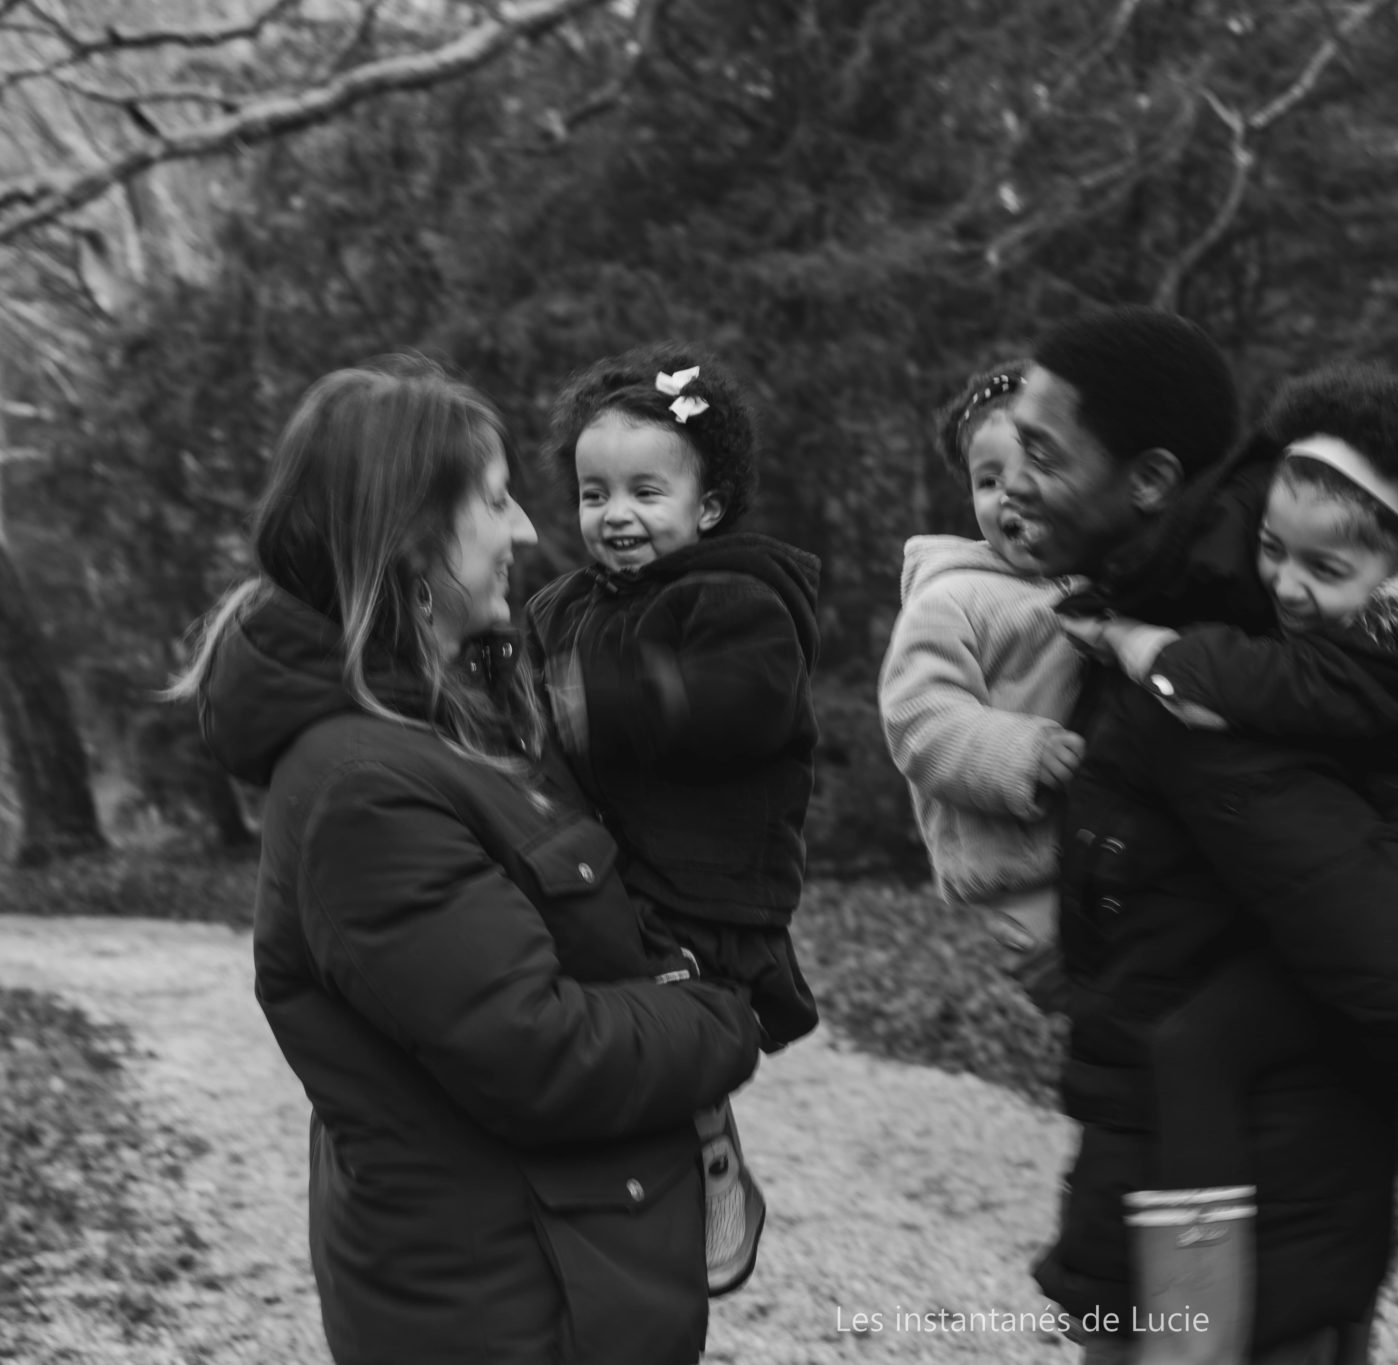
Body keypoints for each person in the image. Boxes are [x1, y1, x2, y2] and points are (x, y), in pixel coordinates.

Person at [166, 356, 762, 1365]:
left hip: (557, 1276)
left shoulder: (442, 733)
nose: (527, 529)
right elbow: (537, 1054)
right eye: (492, 502)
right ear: (409, 542)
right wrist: (718, 1014)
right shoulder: (365, 788)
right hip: (508, 1312)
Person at [1001, 308, 1398, 1364]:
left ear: (1152, 481)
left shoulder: (1215, 681)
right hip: (1212, 1199)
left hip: (1244, 1243)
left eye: (1042, 452)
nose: (1010, 479)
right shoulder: (1188, 616)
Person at [1059, 365, 1398, 1252]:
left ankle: (1188, 1315)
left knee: (1196, 1046)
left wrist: (1129, 638)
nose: (1284, 585)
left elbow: (1234, 689)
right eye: (1272, 548)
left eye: (1327, 568)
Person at [523, 342, 822, 1296]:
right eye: (593, 493)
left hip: (708, 874)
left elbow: (744, 702)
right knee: (589, 1003)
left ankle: (709, 1151)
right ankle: (613, 1177)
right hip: (608, 859)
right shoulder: (561, 608)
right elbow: (525, 697)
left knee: (668, 999)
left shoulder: (737, 598)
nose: (614, 517)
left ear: (709, 506)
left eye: (645, 492)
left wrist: (603, 702)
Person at [877, 361, 1086, 1006]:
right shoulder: (956, 597)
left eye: (1035, 469)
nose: (1010, 495)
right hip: (1023, 871)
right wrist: (1018, 751)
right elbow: (919, 717)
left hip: (1102, 850)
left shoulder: (1096, 579)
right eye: (987, 480)